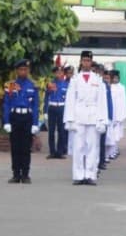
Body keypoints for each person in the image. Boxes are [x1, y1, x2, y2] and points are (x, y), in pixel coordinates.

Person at [64, 51, 107, 186]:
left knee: (92, 147)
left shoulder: (98, 80)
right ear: (81, 62)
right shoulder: (75, 79)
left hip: (94, 115)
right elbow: (70, 100)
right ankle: (78, 175)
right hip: (79, 115)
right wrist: (69, 119)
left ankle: (90, 174)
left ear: (91, 62)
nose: (86, 63)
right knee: (78, 147)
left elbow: (102, 101)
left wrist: (102, 120)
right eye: (84, 60)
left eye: (88, 60)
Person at [1, 59, 40, 184]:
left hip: (27, 118)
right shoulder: (11, 85)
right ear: (17, 71)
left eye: (26, 69)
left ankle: (26, 174)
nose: (23, 71)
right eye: (21, 69)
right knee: (15, 147)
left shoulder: (33, 85)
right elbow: (6, 104)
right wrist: (6, 121)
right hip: (15, 117)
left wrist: (35, 123)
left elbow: (35, 105)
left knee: (26, 147)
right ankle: (16, 174)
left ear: (28, 71)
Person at [44, 66, 69, 159]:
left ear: (63, 73)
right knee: (51, 131)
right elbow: (46, 97)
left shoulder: (66, 84)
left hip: (62, 108)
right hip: (52, 107)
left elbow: (69, 99)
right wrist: (45, 111)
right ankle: (52, 152)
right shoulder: (50, 84)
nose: (58, 74)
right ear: (54, 73)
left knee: (61, 131)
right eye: (57, 72)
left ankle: (60, 152)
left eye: (60, 72)